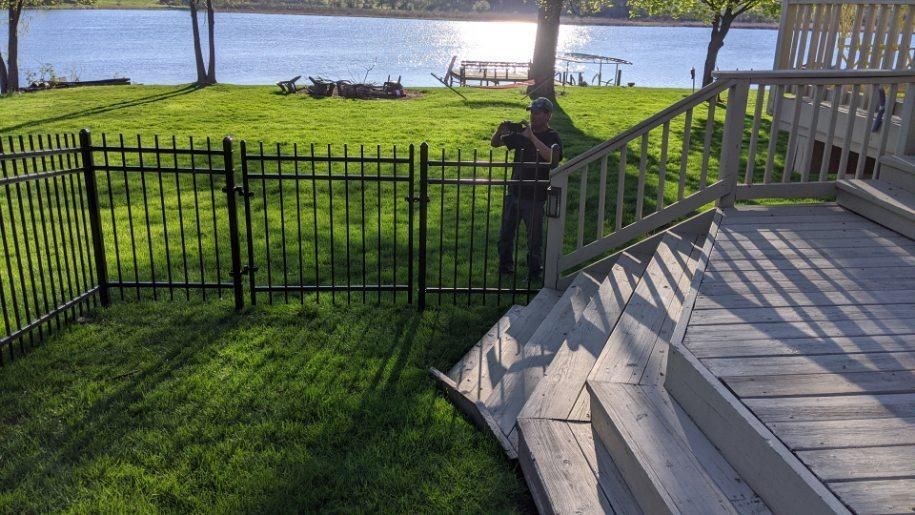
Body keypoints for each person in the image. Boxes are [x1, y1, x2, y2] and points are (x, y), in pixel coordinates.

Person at [490, 97, 563, 280]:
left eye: (537, 113)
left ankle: (533, 272)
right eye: (531, 112)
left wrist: (532, 138)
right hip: (514, 191)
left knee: (534, 239)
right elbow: (495, 143)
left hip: (535, 196)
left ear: (547, 115)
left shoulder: (552, 136)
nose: (532, 116)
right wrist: (500, 130)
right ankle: (505, 267)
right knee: (506, 234)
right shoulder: (523, 133)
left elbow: (553, 158)